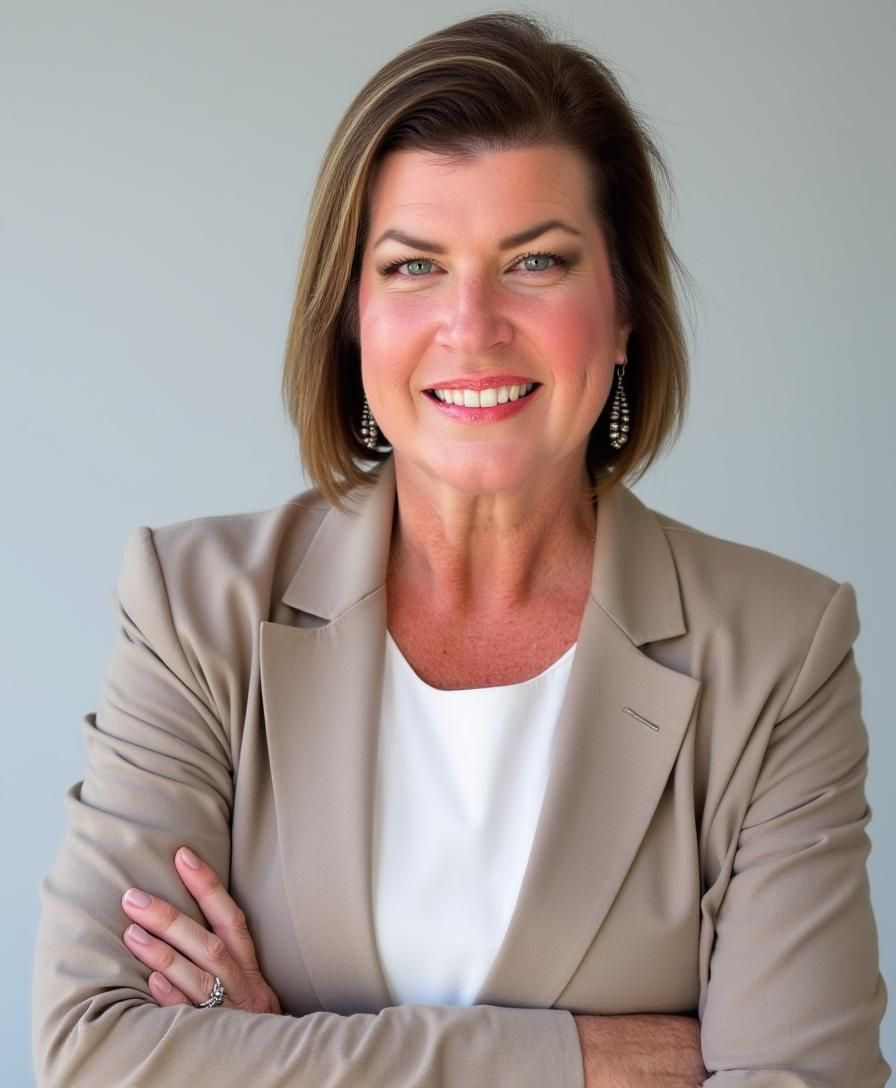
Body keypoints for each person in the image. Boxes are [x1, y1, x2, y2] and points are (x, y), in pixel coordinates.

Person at [32, 11, 888, 1088]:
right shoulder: (196, 609)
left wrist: (275, 1040)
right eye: (413, 266)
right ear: (350, 317)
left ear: (623, 309)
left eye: (534, 260)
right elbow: (97, 1050)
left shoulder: (776, 649)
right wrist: (571, 1057)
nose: (470, 324)